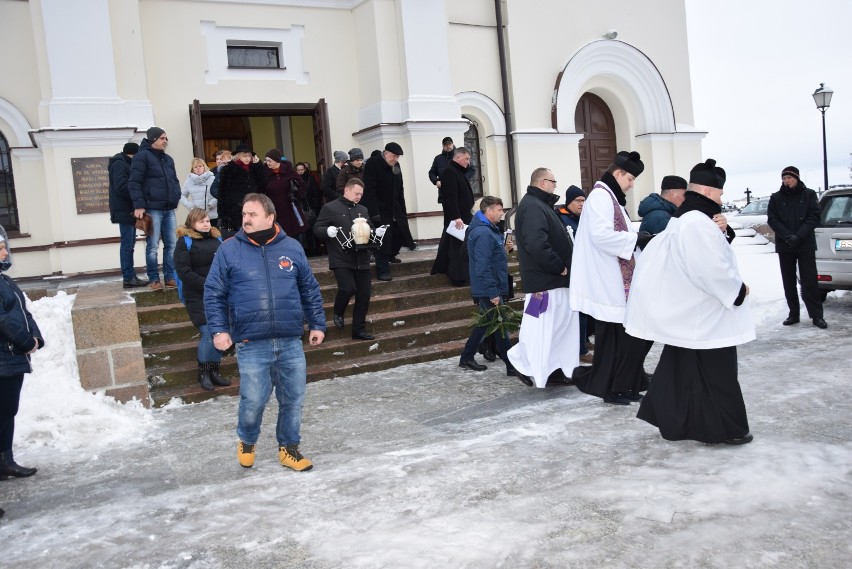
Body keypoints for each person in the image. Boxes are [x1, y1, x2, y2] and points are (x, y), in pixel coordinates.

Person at [625, 158, 755, 445]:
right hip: (704, 314)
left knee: (684, 370)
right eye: (719, 193)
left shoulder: (687, 218)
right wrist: (737, 289)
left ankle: (677, 422)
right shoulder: (696, 222)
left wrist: (723, 232)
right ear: (708, 192)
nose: (722, 198)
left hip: (694, 311)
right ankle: (726, 429)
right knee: (718, 375)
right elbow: (710, 268)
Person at [204, 193, 326, 472]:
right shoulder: (229, 249)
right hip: (251, 341)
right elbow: (213, 293)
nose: (245, 219)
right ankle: (247, 440)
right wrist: (219, 329)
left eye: (252, 214)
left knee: (293, 399)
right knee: (254, 400)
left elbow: (309, 289)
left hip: (289, 340)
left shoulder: (292, 247)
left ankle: (289, 449)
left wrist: (317, 323)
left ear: (270, 218)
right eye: (244, 214)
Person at [569, 151, 654, 404]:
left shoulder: (611, 198)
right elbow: (601, 236)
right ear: (617, 174)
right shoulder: (600, 197)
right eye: (629, 178)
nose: (631, 183)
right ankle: (609, 388)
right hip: (607, 281)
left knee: (625, 338)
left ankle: (628, 384)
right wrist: (634, 239)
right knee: (613, 340)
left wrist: (638, 237)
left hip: (617, 280)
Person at [506, 168, 578, 388]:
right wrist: (558, 266)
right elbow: (536, 244)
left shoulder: (539, 205)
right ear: (542, 182)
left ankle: (552, 369)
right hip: (546, 282)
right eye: (553, 182)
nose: (555, 185)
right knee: (541, 328)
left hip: (554, 281)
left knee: (557, 328)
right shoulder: (533, 206)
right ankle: (525, 365)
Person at [314, 177, 381, 341]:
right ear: (347, 190)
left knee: (364, 296)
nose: (359, 197)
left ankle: (358, 330)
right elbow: (317, 228)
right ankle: (338, 311)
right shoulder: (330, 208)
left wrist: (375, 232)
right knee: (348, 288)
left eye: (361, 194)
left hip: (362, 258)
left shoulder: (363, 209)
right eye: (357, 193)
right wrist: (326, 231)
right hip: (341, 257)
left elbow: (369, 227)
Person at [0, 226, 43, 480]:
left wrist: (36, 337)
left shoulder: (5, 280)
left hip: (13, 357)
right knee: (3, 412)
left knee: (8, 411)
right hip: (4, 357)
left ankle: (6, 460)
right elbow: (2, 320)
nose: (5, 252)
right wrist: (26, 342)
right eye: (0, 249)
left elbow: (23, 313)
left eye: (4, 247)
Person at [459, 196, 517, 376]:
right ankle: (511, 365)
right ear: (488, 211)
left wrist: (505, 248)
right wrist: (493, 291)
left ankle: (466, 356)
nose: (503, 213)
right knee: (500, 325)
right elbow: (482, 266)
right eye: (499, 210)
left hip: (490, 284)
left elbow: (493, 258)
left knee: (486, 323)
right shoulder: (483, 233)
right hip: (488, 287)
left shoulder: (488, 229)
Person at [174, 208, 230, 391]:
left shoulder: (218, 239)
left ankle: (214, 371)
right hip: (197, 296)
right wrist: (207, 284)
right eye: (201, 222)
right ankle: (203, 372)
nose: (206, 224)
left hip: (218, 296)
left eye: (207, 221)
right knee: (208, 331)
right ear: (192, 224)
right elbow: (184, 271)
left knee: (219, 330)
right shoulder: (185, 242)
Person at [767, 166, 826, 329]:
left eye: (790, 178)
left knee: (809, 281)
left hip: (804, 243)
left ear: (797, 178)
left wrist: (799, 236)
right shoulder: (776, 197)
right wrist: (787, 236)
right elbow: (772, 219)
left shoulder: (809, 194)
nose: (787, 181)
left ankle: (817, 316)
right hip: (785, 245)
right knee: (789, 281)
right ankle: (793, 314)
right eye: (784, 178)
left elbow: (814, 217)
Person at [128, 127, 182, 290]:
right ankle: (154, 279)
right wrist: (139, 205)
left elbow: (174, 180)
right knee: (152, 246)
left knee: (171, 244)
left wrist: (176, 195)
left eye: (166, 138)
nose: (165, 141)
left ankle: (170, 277)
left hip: (168, 208)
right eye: (162, 138)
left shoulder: (168, 159)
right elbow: (134, 182)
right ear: (152, 140)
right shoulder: (141, 157)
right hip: (153, 208)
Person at [362, 142, 414, 281]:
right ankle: (383, 271)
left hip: (395, 208)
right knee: (382, 241)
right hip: (380, 209)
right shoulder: (373, 164)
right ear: (386, 154)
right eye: (394, 156)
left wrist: (402, 210)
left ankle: (392, 254)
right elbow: (369, 191)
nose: (396, 160)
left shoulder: (396, 166)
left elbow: (400, 189)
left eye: (397, 157)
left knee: (399, 233)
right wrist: (373, 213)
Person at [555, 185, 593, 365]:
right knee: (579, 311)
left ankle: (584, 340)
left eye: (584, 200)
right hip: (571, 271)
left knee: (585, 309)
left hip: (584, 268)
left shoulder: (582, 218)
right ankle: (580, 349)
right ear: (569, 202)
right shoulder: (562, 219)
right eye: (578, 200)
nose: (582, 204)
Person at [431, 147, 475, 286]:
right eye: (466, 158)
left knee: (454, 245)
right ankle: (458, 277)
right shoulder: (450, 172)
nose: (468, 162)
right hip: (458, 218)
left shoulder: (457, 171)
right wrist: (457, 217)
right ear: (457, 158)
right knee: (457, 248)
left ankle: (456, 273)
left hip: (462, 216)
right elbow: (451, 196)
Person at [108, 142, 148, 288]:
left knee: (129, 244)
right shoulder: (120, 164)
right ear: (134, 154)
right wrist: (139, 192)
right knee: (127, 245)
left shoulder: (124, 163)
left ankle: (130, 276)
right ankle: (128, 277)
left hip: (125, 210)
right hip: (124, 210)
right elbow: (122, 187)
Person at [216, 143, 266, 235]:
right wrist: (223, 214)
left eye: (249, 156)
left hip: (254, 206)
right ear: (238, 156)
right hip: (235, 210)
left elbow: (263, 184)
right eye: (244, 156)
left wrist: (258, 165)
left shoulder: (254, 168)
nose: (247, 158)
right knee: (240, 235)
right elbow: (222, 192)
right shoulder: (228, 169)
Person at [262, 150, 308, 239]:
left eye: (269, 161)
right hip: (274, 210)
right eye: (266, 160)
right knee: (277, 235)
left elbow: (302, 185)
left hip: (290, 208)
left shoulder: (288, 170)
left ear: (276, 160)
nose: (267, 163)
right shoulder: (265, 172)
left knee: (294, 236)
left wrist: (296, 197)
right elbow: (261, 188)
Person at [428, 136, 476, 204]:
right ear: (443, 146)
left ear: (452, 144)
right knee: (448, 213)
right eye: (445, 145)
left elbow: (471, 169)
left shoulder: (459, 156)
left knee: (461, 213)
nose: (448, 146)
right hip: (444, 193)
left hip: (460, 192)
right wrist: (436, 181)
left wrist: (462, 179)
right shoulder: (438, 159)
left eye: (449, 144)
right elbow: (432, 173)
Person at [180, 158, 218, 227]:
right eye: (195, 167)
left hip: (212, 214)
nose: (198, 168)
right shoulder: (189, 181)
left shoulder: (212, 178)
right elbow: (181, 195)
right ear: (193, 169)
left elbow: (220, 193)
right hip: (197, 215)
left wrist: (212, 204)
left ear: (204, 167)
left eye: (200, 166)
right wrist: (190, 206)